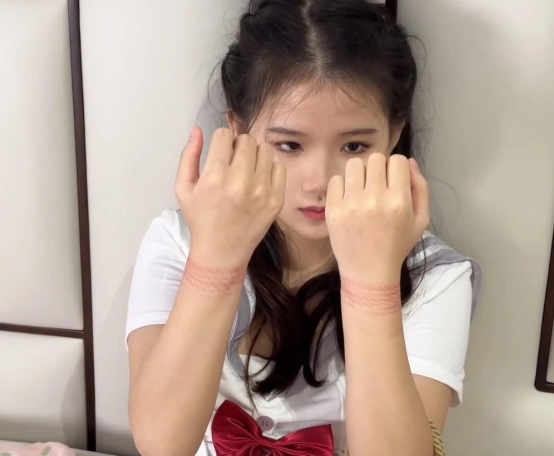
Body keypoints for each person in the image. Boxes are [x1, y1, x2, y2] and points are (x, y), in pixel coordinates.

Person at [124, 1, 482, 455]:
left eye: (354, 146)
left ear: (393, 135)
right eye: (289, 145)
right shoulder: (178, 241)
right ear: (238, 129)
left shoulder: (436, 276)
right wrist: (216, 261)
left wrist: (372, 284)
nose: (320, 181)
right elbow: (160, 443)